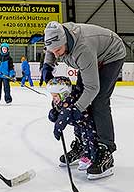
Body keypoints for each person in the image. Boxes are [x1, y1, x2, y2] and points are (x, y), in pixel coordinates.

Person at [41, 21, 126, 180]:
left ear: (65, 41)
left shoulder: (82, 49)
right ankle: (82, 144)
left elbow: (93, 88)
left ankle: (105, 149)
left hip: (111, 54)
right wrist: (47, 65)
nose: (57, 54)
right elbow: (51, 50)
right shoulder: (57, 39)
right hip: (92, 55)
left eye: (59, 50)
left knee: (99, 101)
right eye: (54, 51)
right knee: (78, 94)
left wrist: (76, 110)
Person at [46, 76, 97, 174]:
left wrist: (58, 127)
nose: (54, 99)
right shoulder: (60, 101)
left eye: (55, 96)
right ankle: (80, 151)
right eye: (52, 96)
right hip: (78, 124)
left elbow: (65, 114)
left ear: (64, 93)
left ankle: (90, 157)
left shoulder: (70, 100)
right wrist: (53, 114)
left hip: (86, 124)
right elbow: (58, 111)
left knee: (88, 139)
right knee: (79, 137)